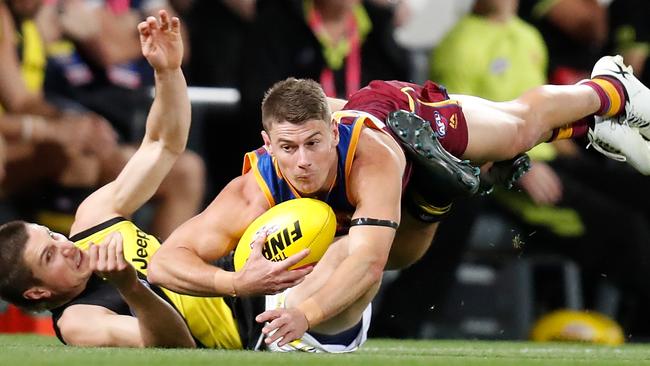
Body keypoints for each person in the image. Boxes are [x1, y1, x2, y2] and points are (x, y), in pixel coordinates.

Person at [148, 41, 650, 347]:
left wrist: (307, 315)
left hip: (399, 120)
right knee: (416, 221)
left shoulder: (370, 156)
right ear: (267, 144)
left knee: (518, 130)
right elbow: (165, 262)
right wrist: (235, 283)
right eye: (287, 148)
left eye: (314, 144)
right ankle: (578, 132)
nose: (302, 161)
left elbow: (371, 262)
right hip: (393, 197)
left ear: (333, 130)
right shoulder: (253, 187)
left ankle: (611, 89)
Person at [0, 11, 372, 352]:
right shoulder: (78, 322)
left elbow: (162, 144)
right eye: (49, 256)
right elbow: (176, 348)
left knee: (361, 222)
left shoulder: (93, 220)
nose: (64, 246)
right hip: (263, 331)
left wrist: (168, 71)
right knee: (351, 248)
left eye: (51, 236)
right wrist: (130, 287)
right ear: (38, 291)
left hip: (255, 268)